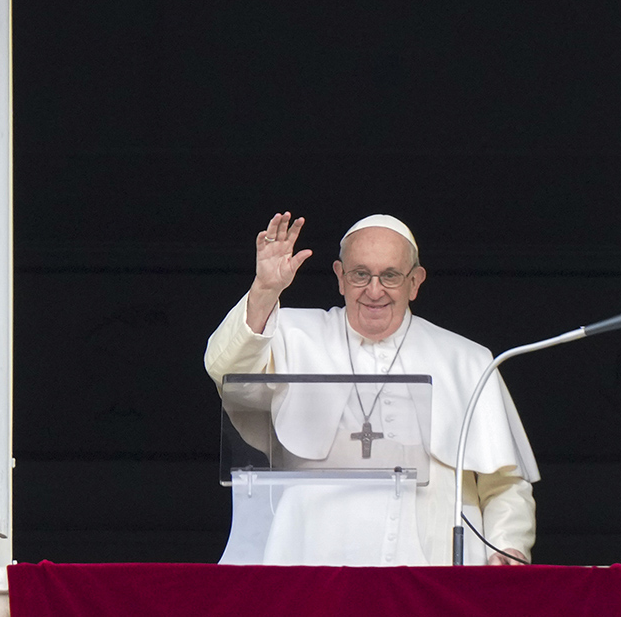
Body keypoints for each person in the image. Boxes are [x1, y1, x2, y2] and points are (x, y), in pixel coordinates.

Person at [205, 212, 539, 566]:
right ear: (340, 277)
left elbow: (504, 484)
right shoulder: (291, 333)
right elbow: (227, 371)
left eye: (391, 276)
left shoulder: (465, 359)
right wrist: (264, 292)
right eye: (360, 274)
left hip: (434, 560)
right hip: (313, 555)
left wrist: (506, 548)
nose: (374, 290)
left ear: (415, 282)